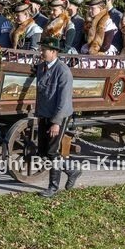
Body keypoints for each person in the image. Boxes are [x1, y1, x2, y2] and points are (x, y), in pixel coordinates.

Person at [35, 37, 79, 197]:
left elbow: (63, 100)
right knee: (43, 151)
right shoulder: (41, 68)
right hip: (44, 114)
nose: (41, 52)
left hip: (57, 116)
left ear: (53, 52)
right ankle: (72, 170)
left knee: (52, 152)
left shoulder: (63, 71)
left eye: (44, 50)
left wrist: (56, 123)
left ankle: (53, 188)